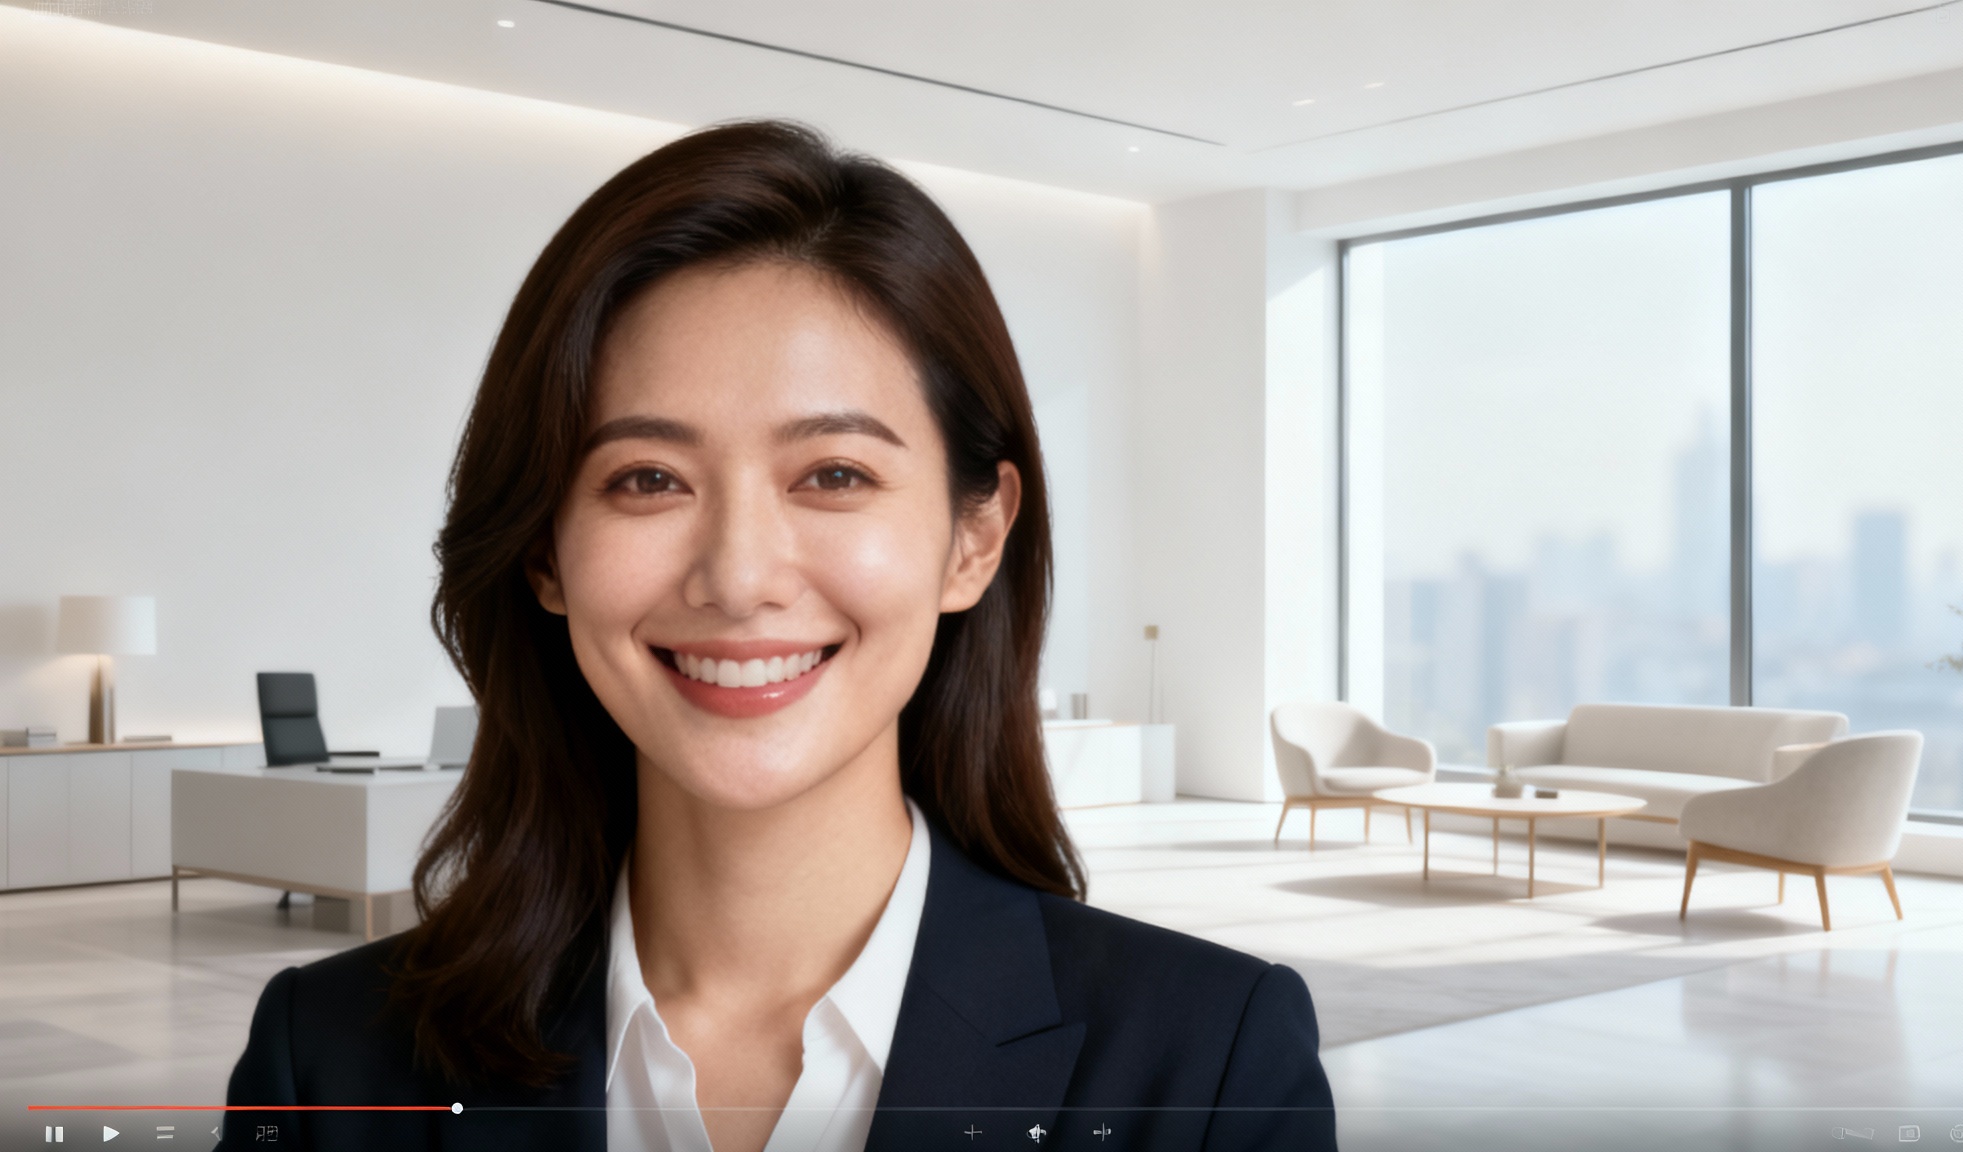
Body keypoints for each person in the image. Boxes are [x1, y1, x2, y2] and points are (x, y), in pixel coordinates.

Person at [221, 120, 1334, 1152]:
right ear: (544, 553)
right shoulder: (327, 1061)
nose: (739, 578)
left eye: (834, 475)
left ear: (972, 537)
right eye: (646, 479)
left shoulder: (1210, 1063)